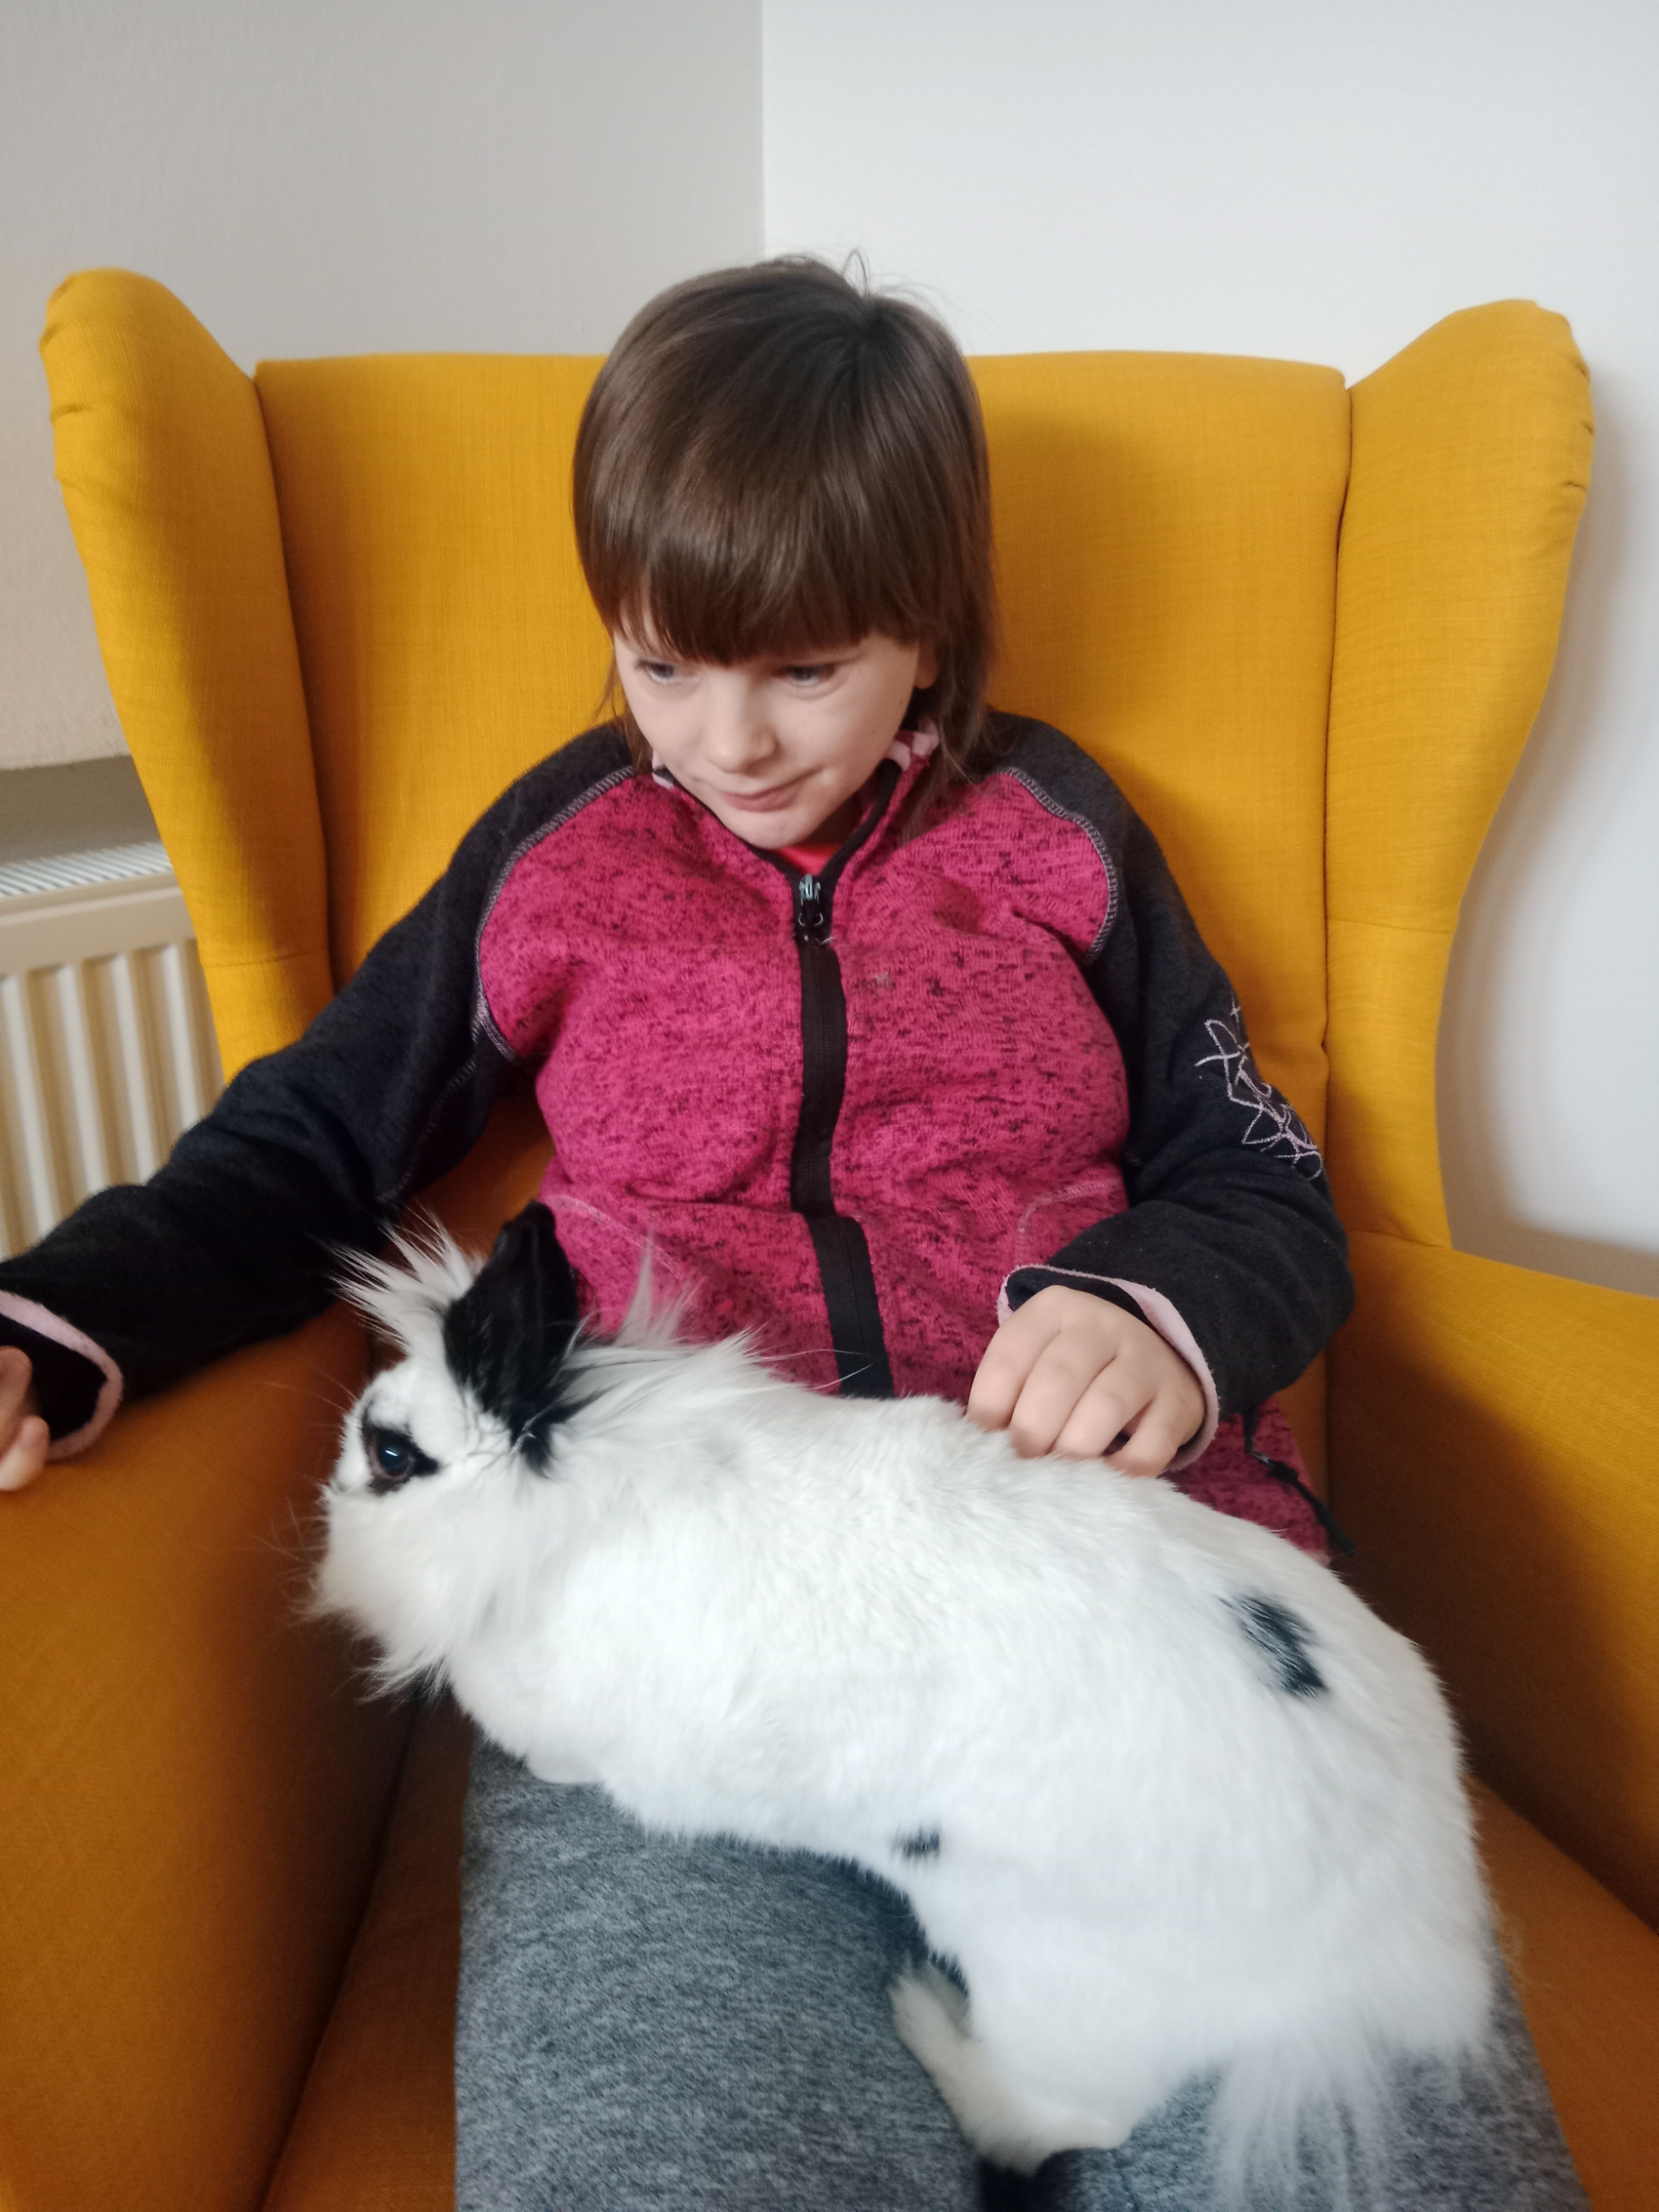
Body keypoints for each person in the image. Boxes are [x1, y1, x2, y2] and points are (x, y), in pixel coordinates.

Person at [0, 260, 1584, 2210]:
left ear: (930, 632)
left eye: (805, 671)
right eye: (663, 666)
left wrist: (1158, 1314)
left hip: (1131, 1648)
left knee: (1382, 2169)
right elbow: (313, 1134)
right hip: (663, 1671)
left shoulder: (1064, 834)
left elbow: (1262, 1182)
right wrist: (63, 1309)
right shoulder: (564, 848)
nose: (727, 743)